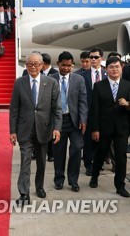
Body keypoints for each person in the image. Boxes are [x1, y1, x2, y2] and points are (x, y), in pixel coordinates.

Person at [9, 52, 62, 205]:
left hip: (44, 129)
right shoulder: (19, 83)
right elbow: (14, 109)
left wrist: (57, 128)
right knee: (25, 161)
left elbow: (56, 108)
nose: (33, 67)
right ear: (26, 65)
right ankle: (24, 193)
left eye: (36, 64)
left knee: (41, 162)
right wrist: (12, 131)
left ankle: (39, 186)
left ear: (42, 65)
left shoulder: (51, 83)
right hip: (24, 129)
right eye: (30, 64)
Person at [89, 56, 130, 197]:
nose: (114, 69)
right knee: (100, 154)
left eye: (117, 66)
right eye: (111, 67)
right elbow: (95, 109)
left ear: (121, 68)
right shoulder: (99, 86)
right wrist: (95, 129)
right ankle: (94, 176)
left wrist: (128, 104)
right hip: (104, 127)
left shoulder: (127, 85)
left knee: (121, 157)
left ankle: (120, 185)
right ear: (106, 69)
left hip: (122, 128)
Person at [50, 51, 88, 192]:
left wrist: (83, 119)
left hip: (75, 122)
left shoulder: (79, 79)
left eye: (69, 65)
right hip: (58, 122)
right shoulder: (51, 78)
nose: (66, 68)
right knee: (58, 152)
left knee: (77, 149)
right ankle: (59, 179)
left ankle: (73, 181)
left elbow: (83, 101)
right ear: (58, 64)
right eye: (63, 65)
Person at [80, 47, 107, 176]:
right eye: (91, 57)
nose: (93, 59)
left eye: (96, 57)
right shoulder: (82, 76)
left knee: (102, 140)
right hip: (88, 114)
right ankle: (88, 165)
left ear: (101, 58)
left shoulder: (107, 74)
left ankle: (98, 163)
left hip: (104, 114)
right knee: (88, 141)